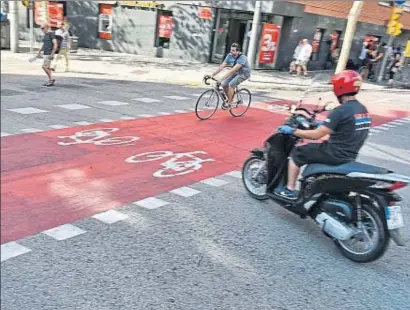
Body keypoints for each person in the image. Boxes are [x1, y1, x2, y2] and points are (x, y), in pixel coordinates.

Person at [274, 70, 370, 200]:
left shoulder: (341, 110)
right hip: (350, 154)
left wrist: (293, 131)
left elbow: (316, 135)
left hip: (334, 153)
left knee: (297, 153)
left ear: (339, 88)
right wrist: (325, 126)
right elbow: (348, 129)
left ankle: (289, 189)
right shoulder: (362, 109)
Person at [205, 43, 251, 109]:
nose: (231, 52)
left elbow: (232, 71)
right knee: (224, 84)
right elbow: (222, 66)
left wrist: (221, 79)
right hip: (236, 72)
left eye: (233, 51)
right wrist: (212, 75)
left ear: (238, 51)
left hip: (243, 74)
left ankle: (229, 104)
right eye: (231, 50)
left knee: (231, 84)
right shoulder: (229, 55)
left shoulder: (242, 58)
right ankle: (231, 99)